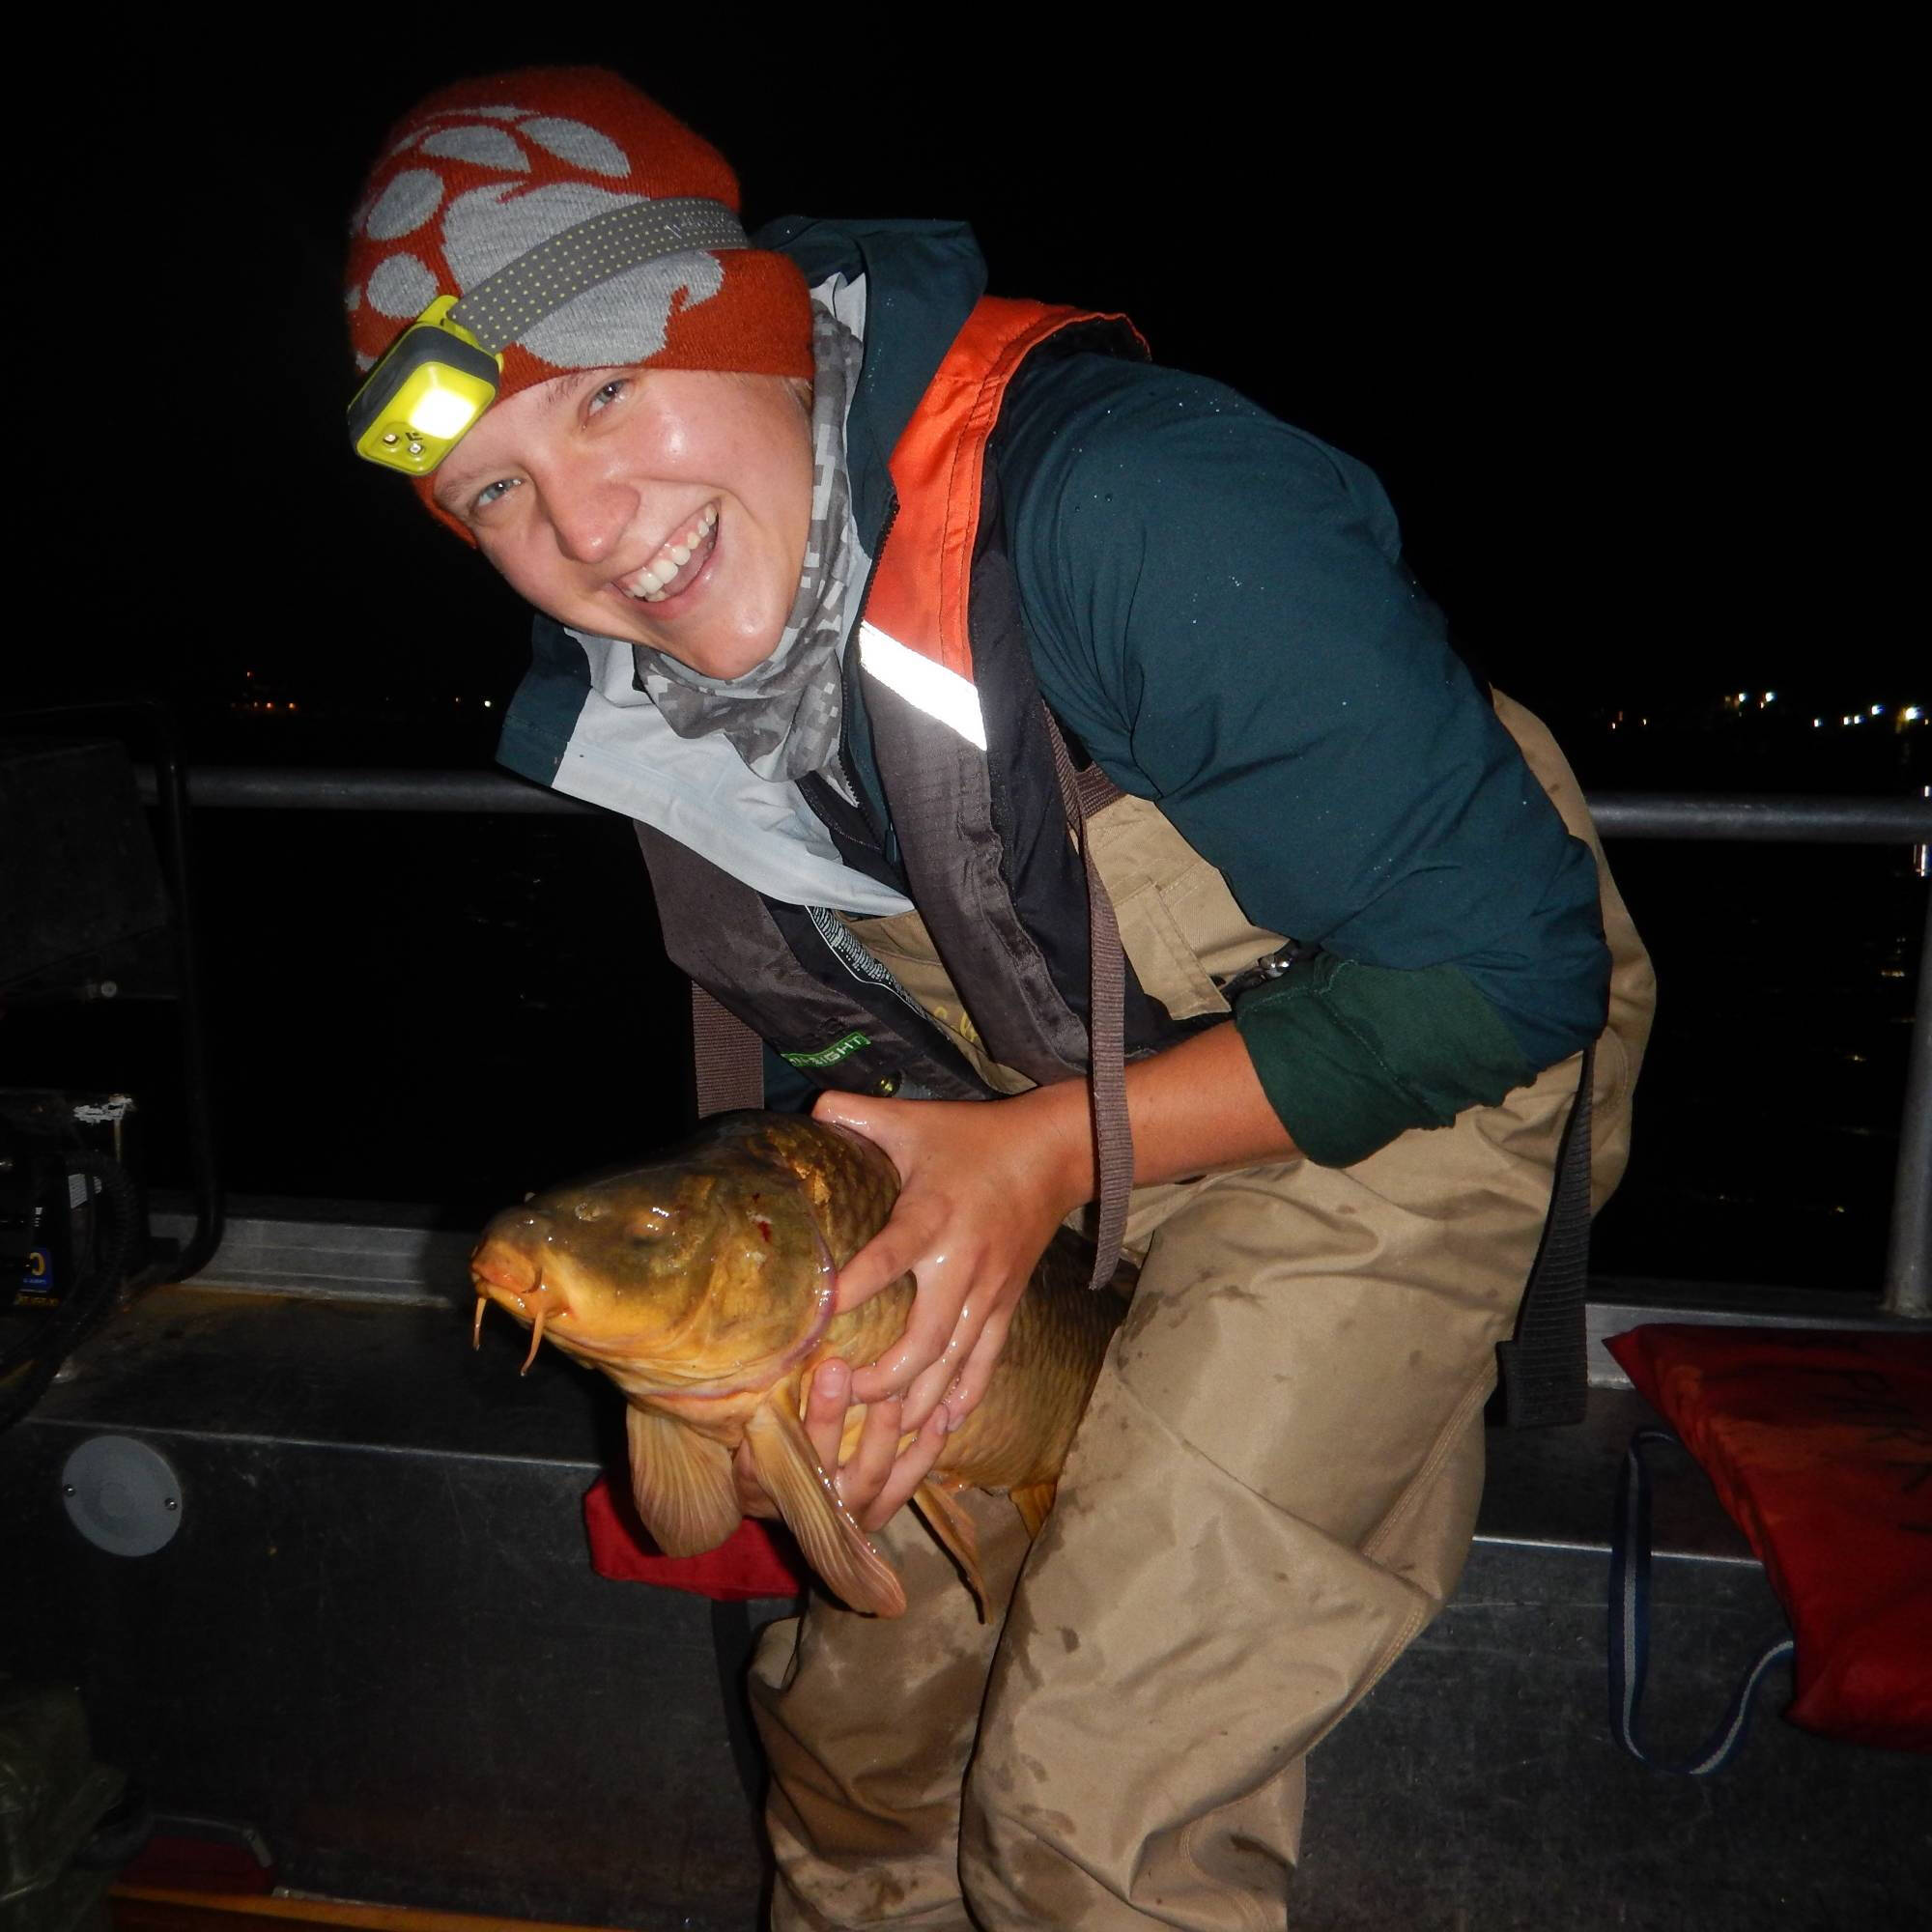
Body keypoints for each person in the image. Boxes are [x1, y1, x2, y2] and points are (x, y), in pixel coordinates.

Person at [345, 67, 1655, 1930]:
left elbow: (1509, 967)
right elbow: (831, 1058)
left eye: (607, 391)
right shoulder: (652, 719)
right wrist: (794, 1346)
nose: (593, 527)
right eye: (496, 491)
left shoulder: (1128, 499)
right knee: (860, 1733)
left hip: (1411, 1059)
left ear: (744, 318)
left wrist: (1049, 1153)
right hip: (1043, 1114)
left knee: (1087, 1791)